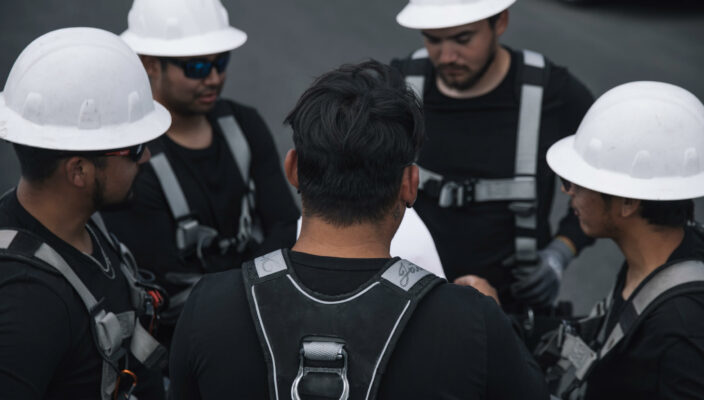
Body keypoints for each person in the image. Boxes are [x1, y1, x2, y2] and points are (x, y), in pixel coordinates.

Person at [169, 59, 549, 399]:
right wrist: (493, 317)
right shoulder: (471, 321)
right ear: (410, 184)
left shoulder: (210, 305)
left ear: (293, 169)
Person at [102, 0, 300, 339]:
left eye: (221, 63)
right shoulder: (131, 158)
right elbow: (159, 278)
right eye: (195, 67)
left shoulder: (243, 124)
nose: (213, 78)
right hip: (181, 336)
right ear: (150, 65)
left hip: (260, 312)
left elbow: (285, 224)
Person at [390, 0, 595, 315]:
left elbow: (604, 179)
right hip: (411, 301)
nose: (447, 56)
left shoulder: (551, 92)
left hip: (512, 307)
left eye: (463, 39)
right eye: (433, 39)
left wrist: (561, 250)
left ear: (499, 22)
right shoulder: (401, 85)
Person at [0, 27, 171, 399]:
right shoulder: (26, 303)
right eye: (134, 147)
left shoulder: (79, 228)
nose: (146, 157)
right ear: (79, 170)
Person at [539, 81, 704, 399]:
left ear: (628, 202)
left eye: (576, 182)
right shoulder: (659, 262)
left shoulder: (682, 329)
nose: (566, 191)